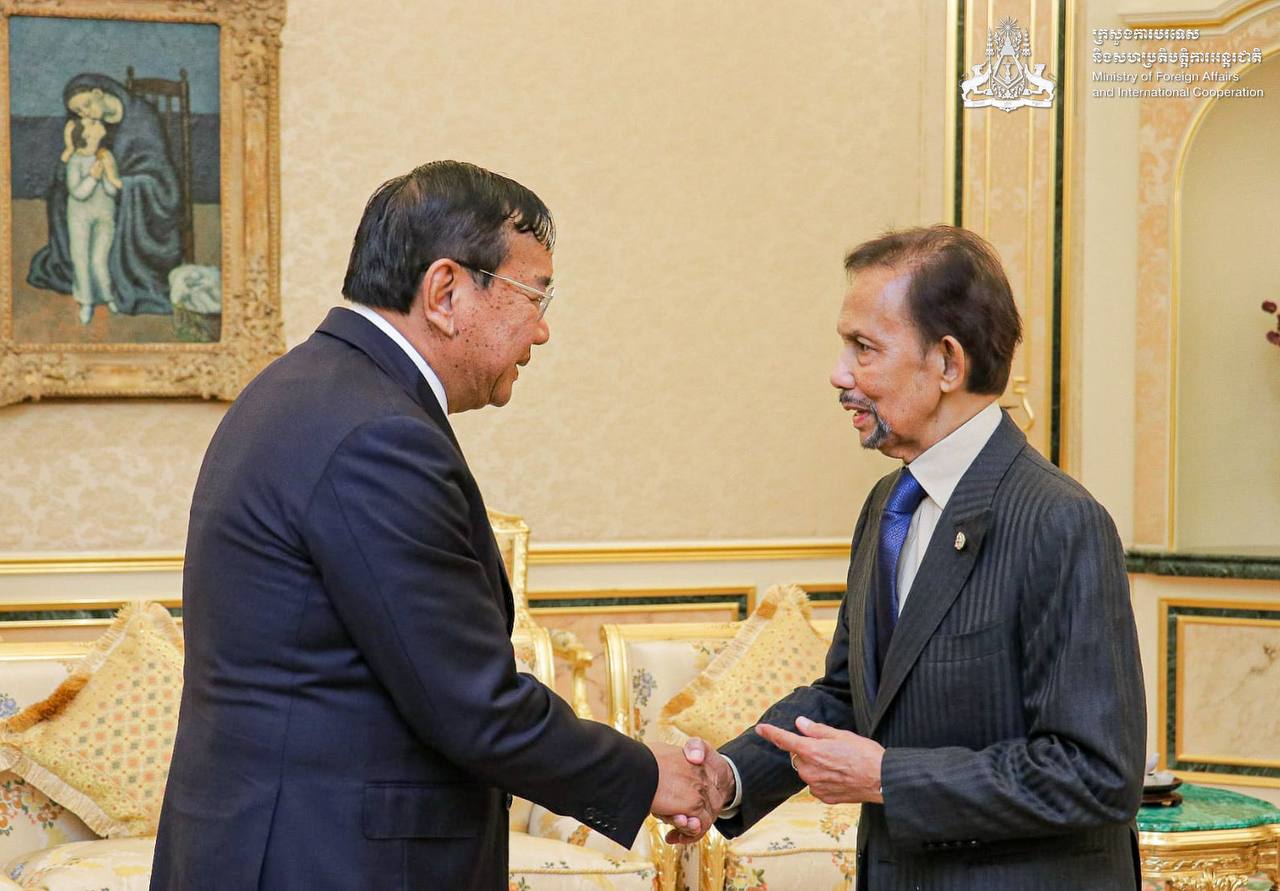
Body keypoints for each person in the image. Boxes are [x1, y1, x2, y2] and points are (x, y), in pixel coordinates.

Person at [150, 161, 724, 891]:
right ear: (446, 292)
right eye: (534, 296)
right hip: (332, 861)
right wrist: (647, 775)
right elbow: (472, 705)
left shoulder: (300, 389)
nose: (542, 330)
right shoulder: (378, 436)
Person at [681, 226, 1146, 890]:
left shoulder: (1060, 522)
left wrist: (886, 777)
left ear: (948, 363)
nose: (839, 374)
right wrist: (727, 778)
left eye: (864, 348)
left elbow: (1094, 774)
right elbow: (851, 695)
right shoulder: (888, 504)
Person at [28, 73, 181, 316]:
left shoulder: (141, 118)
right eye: (78, 111)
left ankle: (111, 280)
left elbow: (156, 168)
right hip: (99, 196)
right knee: (58, 196)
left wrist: (121, 183)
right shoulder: (91, 123)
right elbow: (77, 160)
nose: (85, 114)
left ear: (99, 93)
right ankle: (83, 275)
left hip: (141, 188)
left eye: (87, 105)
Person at [63, 115, 122, 324]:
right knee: (81, 258)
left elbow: (113, 192)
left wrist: (108, 175)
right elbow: (77, 192)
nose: (99, 121)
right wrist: (93, 177)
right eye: (93, 123)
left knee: (99, 259)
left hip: (104, 215)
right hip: (79, 217)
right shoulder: (75, 161)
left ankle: (107, 296)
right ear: (86, 135)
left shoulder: (106, 155)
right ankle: (86, 301)